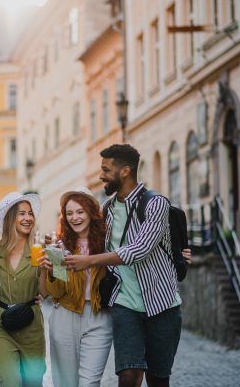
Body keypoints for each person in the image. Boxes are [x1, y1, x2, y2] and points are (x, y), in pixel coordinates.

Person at [64, 144, 190, 387]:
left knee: (158, 379)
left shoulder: (156, 204)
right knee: (128, 375)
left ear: (125, 171)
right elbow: (86, 236)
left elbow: (140, 250)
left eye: (106, 169)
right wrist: (56, 243)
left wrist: (88, 261)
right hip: (124, 304)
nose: (101, 175)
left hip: (162, 304)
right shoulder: (107, 209)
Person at [38, 186, 112, 387]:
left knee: (89, 382)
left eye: (80, 212)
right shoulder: (60, 245)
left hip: (99, 317)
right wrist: (53, 271)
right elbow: (53, 292)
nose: (75, 218)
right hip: (65, 315)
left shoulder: (107, 243)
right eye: (69, 213)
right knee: (66, 383)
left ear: (90, 213)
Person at [0, 192, 46, 387]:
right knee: (10, 382)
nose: (28, 218)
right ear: (10, 217)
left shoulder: (41, 248)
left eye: (30, 213)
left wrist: (49, 268)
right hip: (1, 326)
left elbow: (49, 292)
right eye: (21, 213)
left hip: (32, 327)